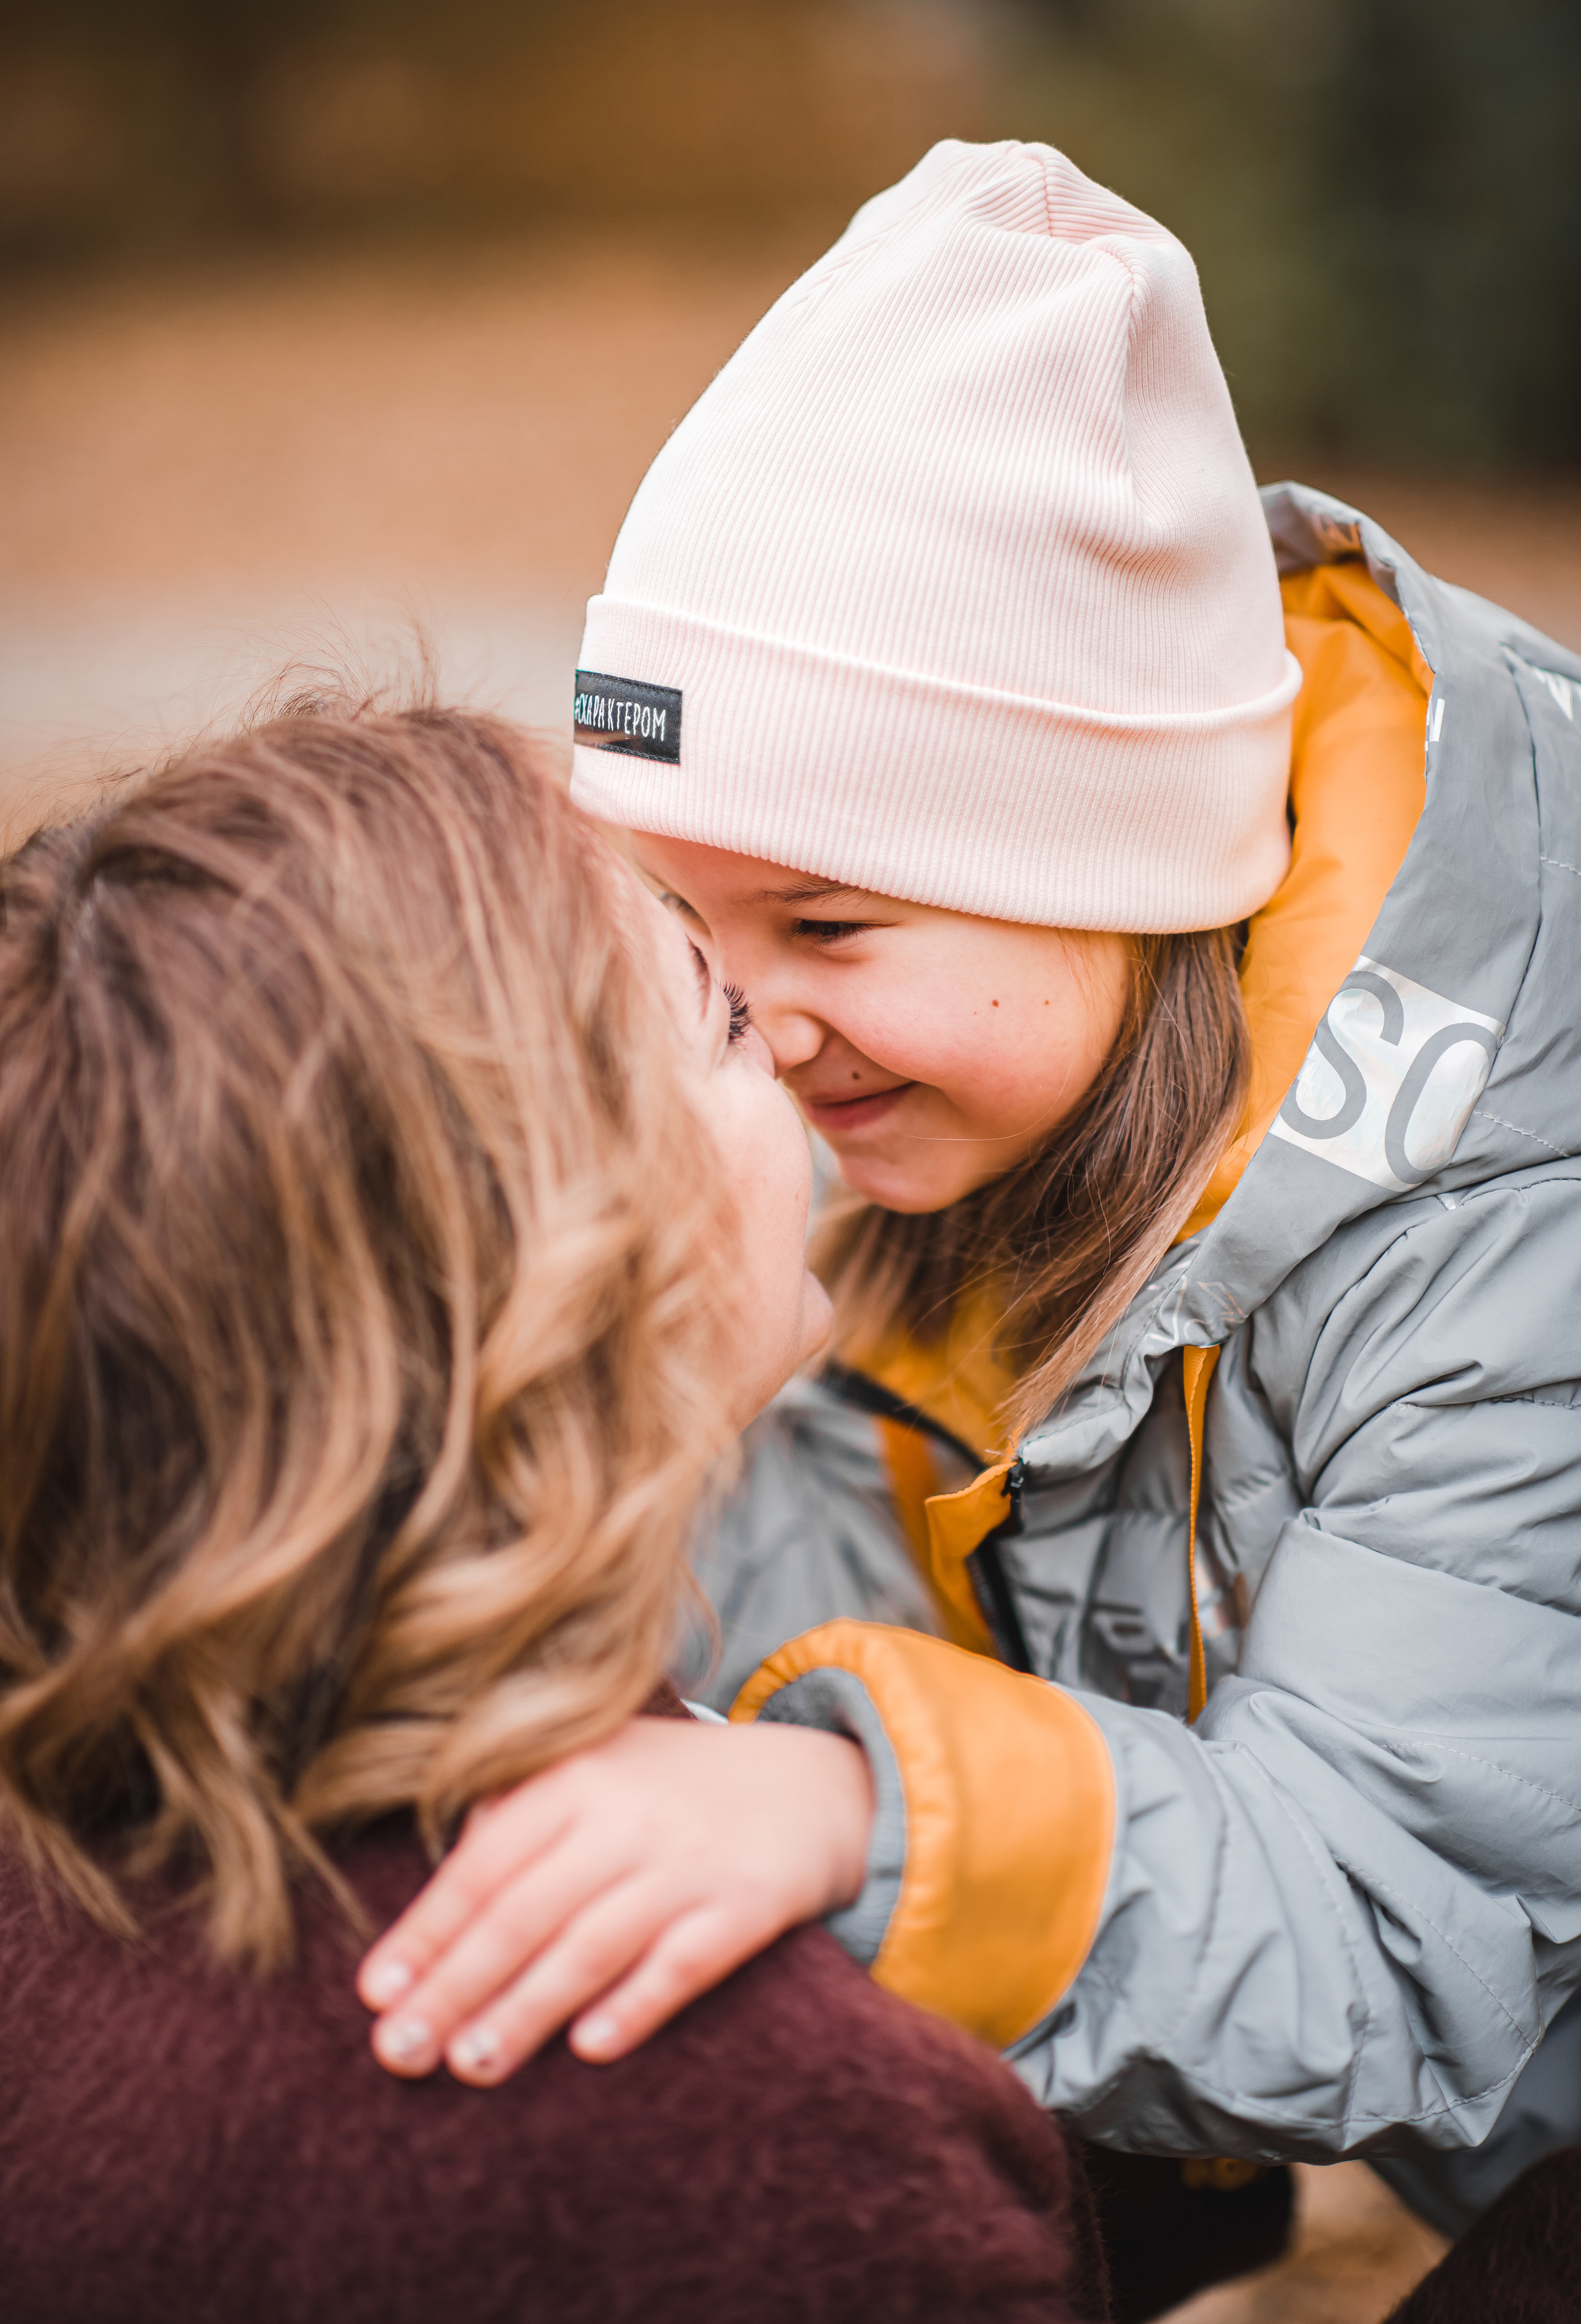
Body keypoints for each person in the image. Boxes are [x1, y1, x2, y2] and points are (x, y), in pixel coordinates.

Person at [359, 138, 1581, 2272]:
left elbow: (1403, 1915)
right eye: (684, 917)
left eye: (829, 919)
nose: (744, 1019)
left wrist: (862, 1810)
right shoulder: (963, 1093)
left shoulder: (1505, 1224)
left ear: (1135, 868)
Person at [0, 700, 1109, 2324]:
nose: (796, 1045)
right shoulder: (777, 2147)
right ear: (576, 1271)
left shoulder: (58, 1875)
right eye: (721, 1018)